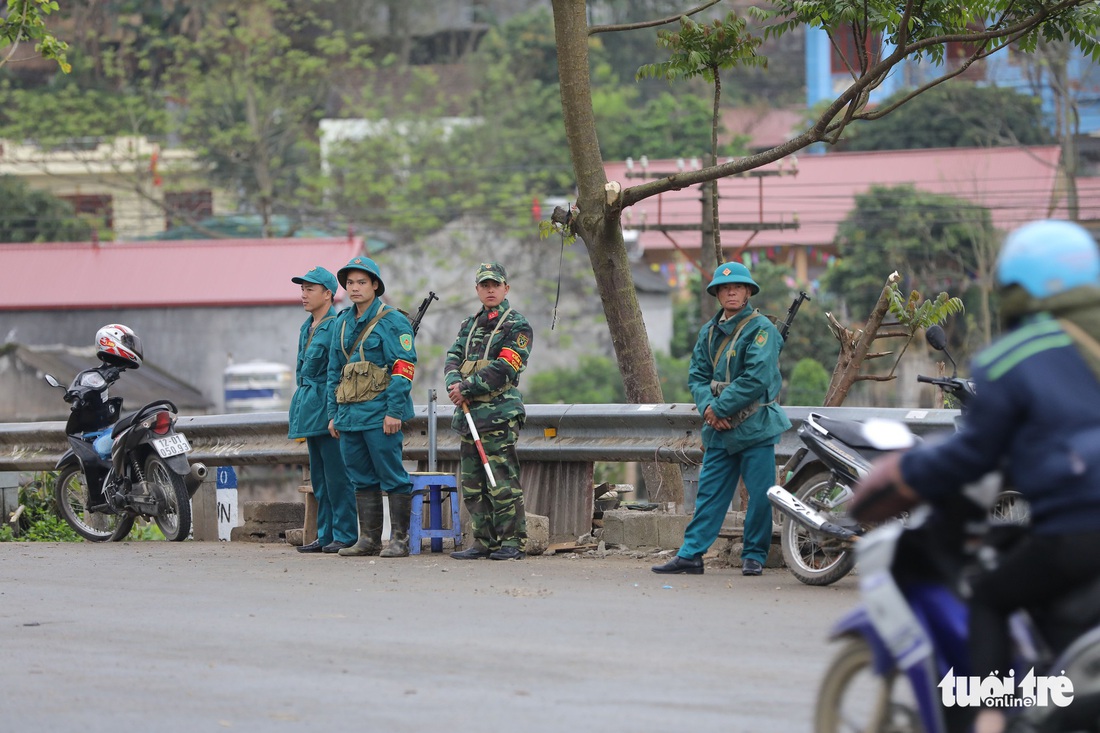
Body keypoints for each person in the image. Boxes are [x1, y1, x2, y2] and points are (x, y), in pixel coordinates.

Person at [853, 220, 1100, 733]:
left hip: (1078, 530)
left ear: (1018, 290)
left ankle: (988, 720)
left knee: (990, 594)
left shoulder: (1016, 358)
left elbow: (971, 456)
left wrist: (902, 471)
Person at [652, 262, 791, 577]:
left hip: (755, 426)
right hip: (719, 429)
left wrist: (719, 408)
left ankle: (754, 555)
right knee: (709, 494)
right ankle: (691, 554)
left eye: (738, 287)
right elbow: (697, 376)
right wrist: (708, 410)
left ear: (747, 292)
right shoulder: (709, 332)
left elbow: (757, 377)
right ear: (716, 293)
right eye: (725, 288)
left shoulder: (761, 330)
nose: (731, 291)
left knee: (760, 494)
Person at [326, 256, 417, 559]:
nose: (354, 288)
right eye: (350, 283)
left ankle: (400, 541)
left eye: (361, 282)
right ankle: (368, 540)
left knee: (392, 475)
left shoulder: (393, 320)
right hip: (350, 415)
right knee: (360, 477)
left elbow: (403, 368)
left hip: (380, 414)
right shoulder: (341, 322)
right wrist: (333, 414)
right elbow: (333, 372)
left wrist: (395, 411)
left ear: (375, 286)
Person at [444, 262, 534, 561]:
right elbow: (452, 358)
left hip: (498, 415)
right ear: (478, 290)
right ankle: (483, 541)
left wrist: (466, 388)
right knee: (473, 485)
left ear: (506, 288)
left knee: (501, 481)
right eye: (485, 285)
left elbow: (506, 367)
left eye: (495, 284)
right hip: (469, 416)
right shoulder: (469, 325)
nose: (490, 289)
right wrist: (454, 384)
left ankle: (512, 543)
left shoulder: (517, 325)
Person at [288, 266, 357, 554]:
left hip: (327, 406)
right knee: (320, 478)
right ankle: (325, 534)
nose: (304, 294)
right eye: (302, 288)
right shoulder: (308, 326)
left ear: (328, 294)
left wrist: (334, 412)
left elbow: (335, 373)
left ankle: (345, 534)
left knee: (337, 476)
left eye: (310, 289)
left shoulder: (335, 325)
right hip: (309, 407)